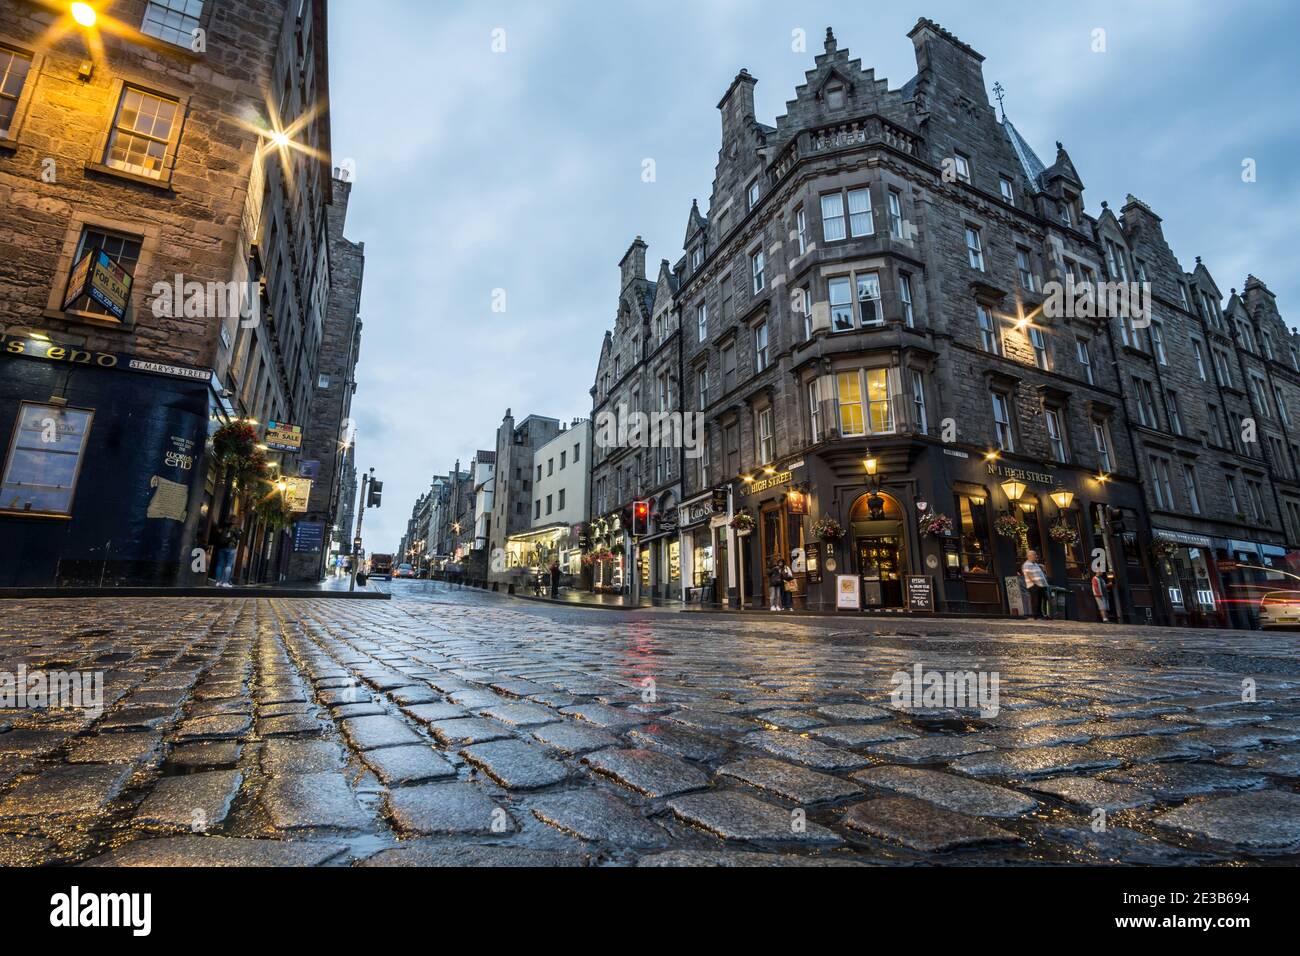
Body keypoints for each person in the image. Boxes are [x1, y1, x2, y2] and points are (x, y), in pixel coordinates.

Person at [1021, 549, 1050, 620]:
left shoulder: (1035, 564)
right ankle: (1036, 616)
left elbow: (1040, 574)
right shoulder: (1027, 565)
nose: (1036, 556)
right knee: (1035, 600)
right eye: (1035, 555)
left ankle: (1041, 614)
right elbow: (1029, 575)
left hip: (1040, 585)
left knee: (1040, 600)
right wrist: (1036, 584)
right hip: (1033, 585)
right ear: (1029, 556)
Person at [212, 523, 239, 588]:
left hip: (221, 547)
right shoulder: (235, 528)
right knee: (228, 565)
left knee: (219, 564)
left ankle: (218, 582)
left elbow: (218, 534)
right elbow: (238, 537)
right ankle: (225, 582)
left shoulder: (223, 526)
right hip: (231, 547)